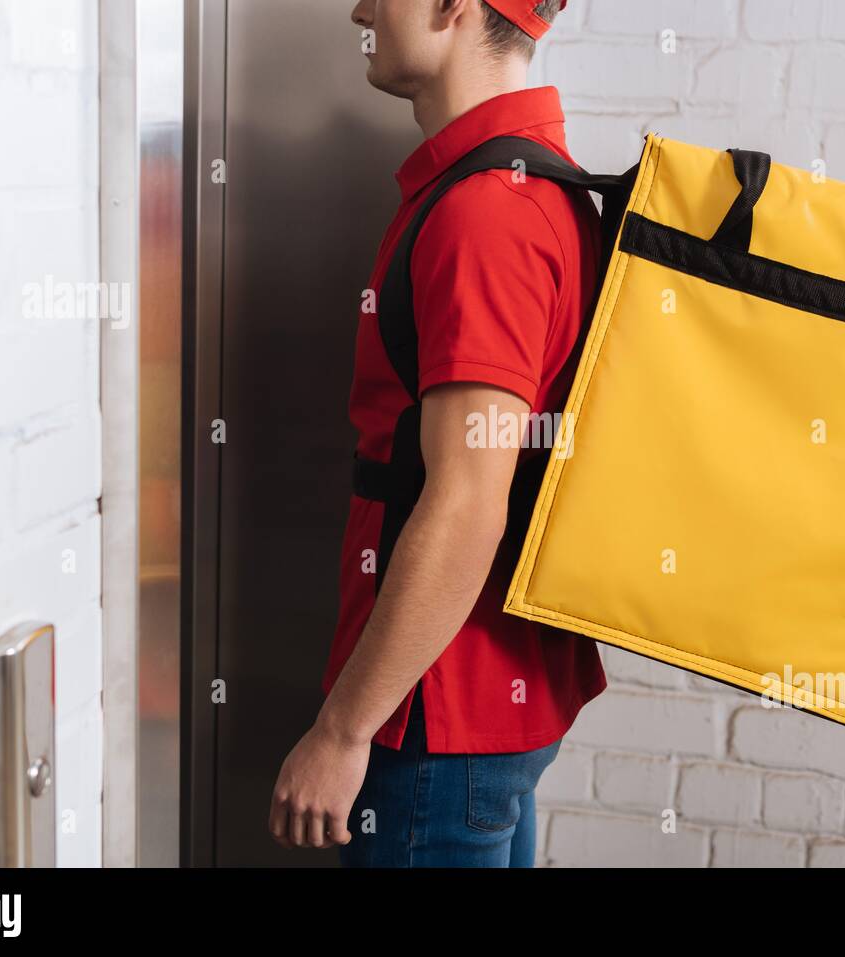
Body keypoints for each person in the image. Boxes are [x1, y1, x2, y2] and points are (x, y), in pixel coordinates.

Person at [267, 0, 607, 867]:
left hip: (433, 717)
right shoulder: (525, 182)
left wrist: (343, 732)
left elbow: (465, 503)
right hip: (479, 704)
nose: (357, 10)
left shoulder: (486, 213)